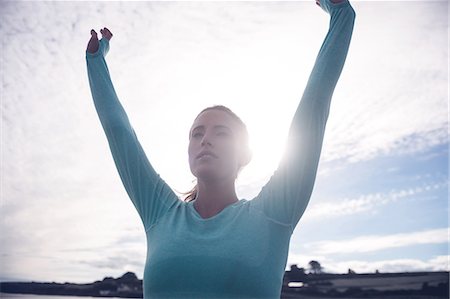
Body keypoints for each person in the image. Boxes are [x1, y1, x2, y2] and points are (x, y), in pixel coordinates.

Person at [85, 0, 355, 297]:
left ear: (244, 153)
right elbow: (119, 133)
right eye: (196, 133)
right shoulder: (160, 212)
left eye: (221, 133)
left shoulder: (274, 212)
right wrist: (97, 63)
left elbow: (313, 110)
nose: (205, 140)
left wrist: (341, 14)